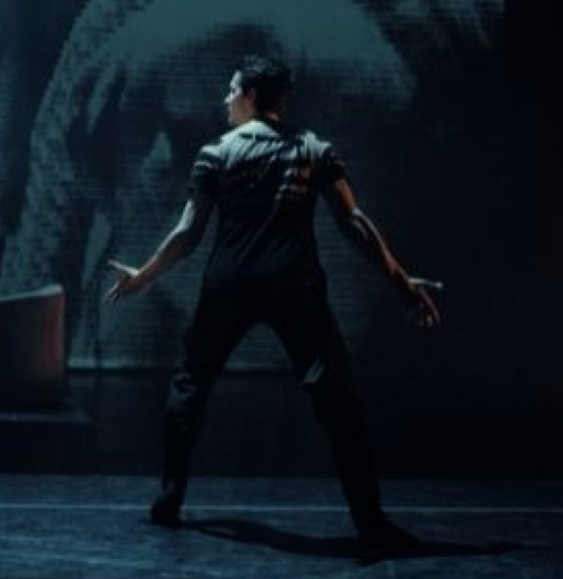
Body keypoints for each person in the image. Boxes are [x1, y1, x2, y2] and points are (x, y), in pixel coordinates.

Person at [105, 55, 441, 561]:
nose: (225, 99)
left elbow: (188, 233)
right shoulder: (313, 148)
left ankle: (170, 496)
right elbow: (355, 223)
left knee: (192, 383)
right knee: (339, 403)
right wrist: (400, 282)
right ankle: (370, 520)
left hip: (231, 285)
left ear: (250, 96)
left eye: (231, 90)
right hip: (293, 288)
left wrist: (143, 277)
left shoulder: (218, 152)